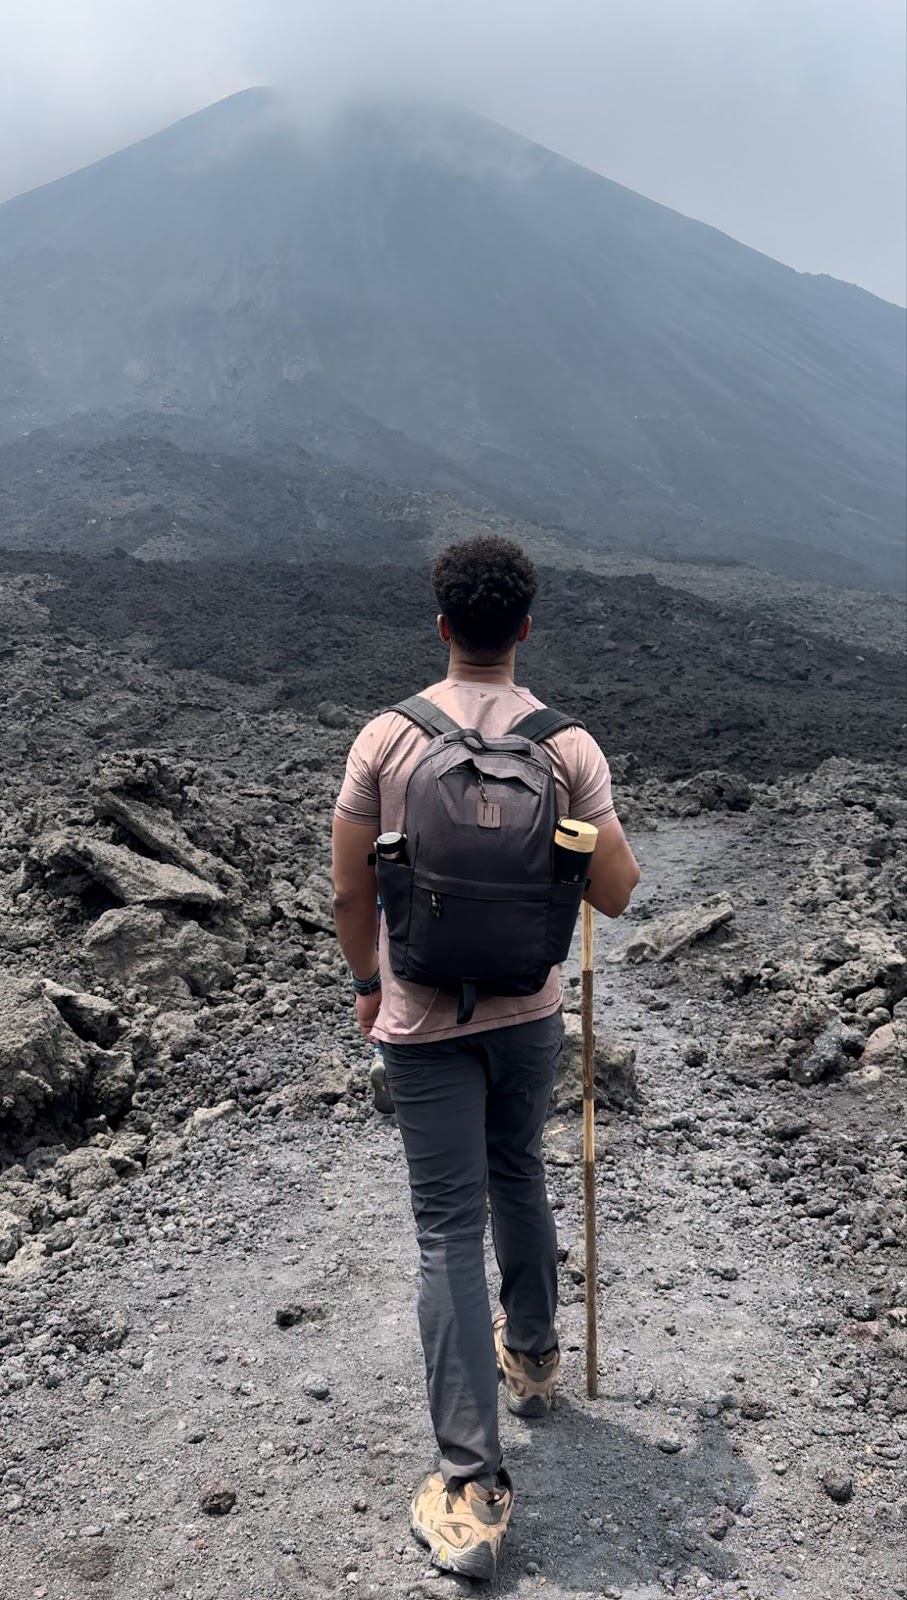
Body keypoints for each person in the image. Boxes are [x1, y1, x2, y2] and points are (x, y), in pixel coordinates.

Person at [332, 536, 640, 1581]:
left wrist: (371, 987)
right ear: (522, 626)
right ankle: (537, 1355)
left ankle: (468, 1483)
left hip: (422, 1021)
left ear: (440, 625)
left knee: (443, 1225)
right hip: (527, 1012)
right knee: (521, 1171)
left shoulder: (386, 739)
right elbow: (616, 891)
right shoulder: (567, 746)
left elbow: (348, 893)